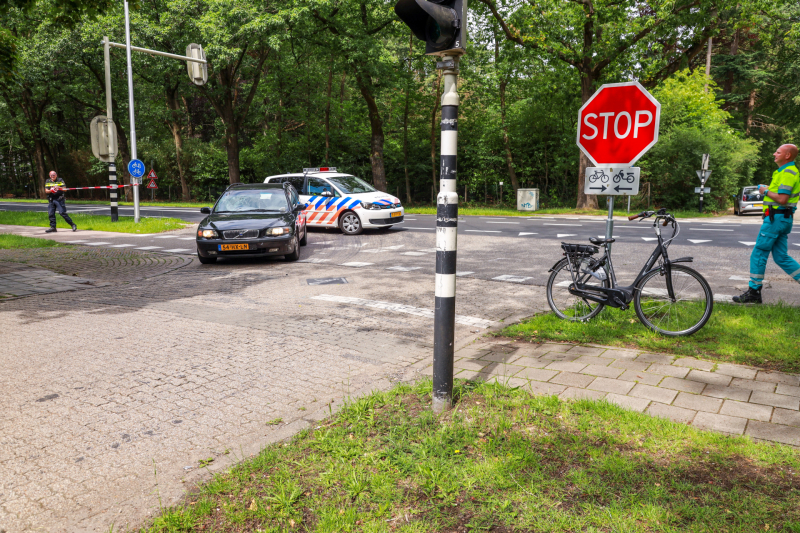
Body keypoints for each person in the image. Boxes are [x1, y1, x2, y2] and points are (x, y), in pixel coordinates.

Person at [734, 144, 800, 304]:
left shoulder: (787, 172)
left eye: (778, 152)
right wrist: (769, 188)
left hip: (775, 219)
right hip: (782, 219)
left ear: (787, 155)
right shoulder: (784, 171)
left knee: (759, 253)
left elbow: (783, 199)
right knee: (781, 257)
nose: (774, 153)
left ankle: (754, 292)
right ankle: (754, 292)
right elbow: (782, 194)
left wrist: (765, 191)